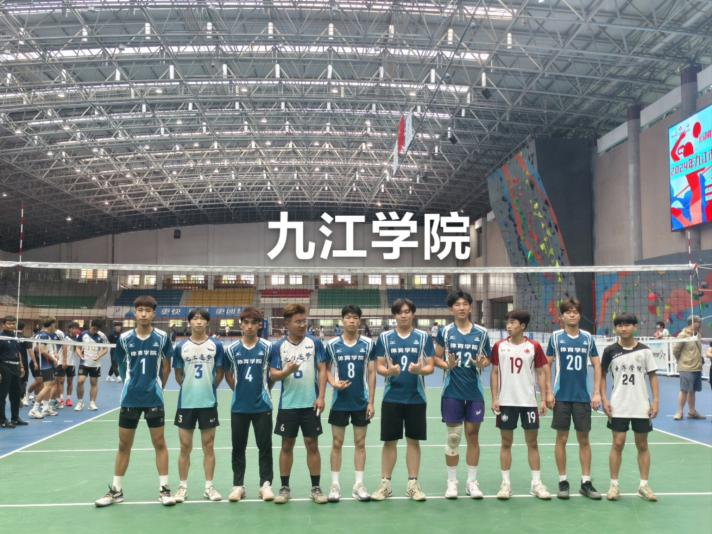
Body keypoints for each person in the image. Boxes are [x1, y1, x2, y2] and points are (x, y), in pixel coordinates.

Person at [94, 295, 176, 507]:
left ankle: (164, 489)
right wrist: (129, 385)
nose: (143, 314)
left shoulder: (162, 338)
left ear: (153, 314)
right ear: (135, 313)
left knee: (159, 443)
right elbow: (121, 365)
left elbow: (167, 366)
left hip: (153, 398)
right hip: (130, 398)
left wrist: (159, 386)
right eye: (140, 310)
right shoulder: (124, 339)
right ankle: (116, 490)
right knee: (123, 445)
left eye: (147, 310)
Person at [371, 298, 435, 502]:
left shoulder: (424, 337)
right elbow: (379, 366)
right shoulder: (385, 338)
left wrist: (420, 370)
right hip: (392, 397)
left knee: (413, 441)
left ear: (413, 314)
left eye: (407, 311)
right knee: (389, 441)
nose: (404, 315)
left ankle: (413, 485)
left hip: (416, 398)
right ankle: (385, 485)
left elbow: (431, 367)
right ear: (395, 315)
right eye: (400, 312)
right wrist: (388, 371)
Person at [433, 291, 491, 499]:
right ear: (452, 309)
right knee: (454, 437)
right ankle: (452, 482)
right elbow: (435, 358)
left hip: (475, 392)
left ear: (470, 307)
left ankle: (471, 482)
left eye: (465, 304)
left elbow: (487, 359)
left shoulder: (482, 333)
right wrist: (446, 365)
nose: (461, 308)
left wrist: (482, 363)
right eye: (457, 304)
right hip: (452, 391)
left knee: (473, 436)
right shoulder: (445, 332)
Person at [269, 304, 328, 504]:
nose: (303, 325)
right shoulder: (278, 347)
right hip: (288, 405)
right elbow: (273, 375)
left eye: (304, 321)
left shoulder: (315, 343)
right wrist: (287, 371)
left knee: (312, 444)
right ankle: (284, 488)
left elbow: (322, 369)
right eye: (298, 321)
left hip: (310, 404)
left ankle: (316, 488)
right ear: (287, 323)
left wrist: (321, 397)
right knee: (287, 445)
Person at [490, 309, 551, 500]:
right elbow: (494, 372)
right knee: (506, 443)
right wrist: (494, 398)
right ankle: (505, 484)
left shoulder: (534, 346)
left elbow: (541, 372)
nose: (508, 326)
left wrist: (543, 399)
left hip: (528, 402)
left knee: (532, 443)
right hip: (506, 402)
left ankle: (536, 483)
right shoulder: (499, 346)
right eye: (507, 322)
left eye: (513, 323)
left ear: (522, 326)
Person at [600, 313, 659, 502]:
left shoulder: (645, 351)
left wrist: (656, 401)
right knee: (617, 443)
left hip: (641, 405)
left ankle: (644, 485)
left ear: (635, 327)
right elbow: (601, 375)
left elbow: (653, 376)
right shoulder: (610, 351)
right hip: (618, 405)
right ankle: (614, 485)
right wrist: (604, 398)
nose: (623, 328)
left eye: (627, 325)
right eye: (619, 325)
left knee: (642, 445)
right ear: (615, 328)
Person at [546, 298, 602, 500]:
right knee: (561, 439)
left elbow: (597, 365)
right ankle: (563, 481)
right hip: (561, 396)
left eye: (575, 311)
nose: (572, 314)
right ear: (561, 316)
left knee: (584, 439)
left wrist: (596, 393)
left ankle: (586, 482)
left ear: (580, 315)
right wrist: (548, 392)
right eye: (568, 312)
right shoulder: (555, 337)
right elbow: (547, 365)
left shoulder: (587, 338)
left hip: (582, 397)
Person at [172, 308, 225, 503]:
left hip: (208, 403)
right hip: (186, 403)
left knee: (208, 446)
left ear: (207, 323)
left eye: (202, 319)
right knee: (185, 447)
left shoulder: (216, 346)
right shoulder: (180, 347)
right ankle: (182, 487)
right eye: (195, 319)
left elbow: (219, 372)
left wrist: (208, 388)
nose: (199, 322)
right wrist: (190, 387)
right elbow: (178, 375)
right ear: (189, 323)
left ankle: (209, 487)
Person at [325, 305, 376, 502]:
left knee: (360, 443)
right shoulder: (332, 344)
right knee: (336, 443)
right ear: (342, 320)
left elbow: (371, 373)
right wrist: (333, 383)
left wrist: (371, 402)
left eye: (355, 317)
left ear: (359, 321)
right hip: (339, 401)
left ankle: (359, 485)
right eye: (348, 317)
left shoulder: (368, 344)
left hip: (360, 401)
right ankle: (335, 485)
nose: (352, 320)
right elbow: (326, 369)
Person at [224, 307, 275, 502]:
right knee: (238, 447)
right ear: (241, 325)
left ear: (259, 325)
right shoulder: (231, 350)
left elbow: (272, 375)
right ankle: (238, 486)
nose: (249, 326)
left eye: (253, 323)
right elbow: (228, 374)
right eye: (246, 322)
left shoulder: (268, 348)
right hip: (239, 406)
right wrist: (239, 390)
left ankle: (265, 485)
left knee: (265, 447)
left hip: (263, 405)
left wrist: (265, 390)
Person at [672, 316, 705, 420]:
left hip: (697, 367)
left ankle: (692, 411)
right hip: (686, 367)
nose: (700, 324)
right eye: (698, 322)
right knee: (684, 390)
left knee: (693, 391)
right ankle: (679, 412)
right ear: (693, 323)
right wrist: (683, 361)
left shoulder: (698, 334)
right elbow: (675, 350)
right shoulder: (683, 335)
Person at [28, 317, 60, 419]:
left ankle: (46, 408)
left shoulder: (40, 334)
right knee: (48, 386)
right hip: (46, 364)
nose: (55, 327)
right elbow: (41, 350)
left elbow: (38, 348)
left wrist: (54, 354)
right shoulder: (44, 335)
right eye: (54, 325)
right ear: (51, 325)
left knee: (49, 385)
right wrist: (53, 359)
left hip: (45, 363)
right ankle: (34, 410)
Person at [75, 319, 109, 411]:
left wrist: (99, 355)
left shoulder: (102, 336)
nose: (95, 331)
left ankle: (92, 403)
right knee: (80, 381)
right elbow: (77, 347)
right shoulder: (83, 334)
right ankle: (80, 402)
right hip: (84, 362)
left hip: (95, 364)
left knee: (94, 383)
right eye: (94, 329)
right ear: (91, 326)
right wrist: (80, 355)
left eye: (97, 329)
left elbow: (105, 349)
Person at [0, 316, 28, 428]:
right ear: (3, 325)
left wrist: (21, 366)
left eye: (13, 323)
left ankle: (15, 418)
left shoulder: (15, 337)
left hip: (15, 367)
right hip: (4, 367)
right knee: (2, 395)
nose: (11, 325)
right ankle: (2, 420)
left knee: (16, 394)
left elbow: (18, 353)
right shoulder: (1, 337)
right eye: (9, 323)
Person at [62, 322, 81, 408]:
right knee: (61, 381)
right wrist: (64, 361)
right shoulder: (65, 337)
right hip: (63, 362)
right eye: (74, 328)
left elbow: (77, 350)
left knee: (70, 382)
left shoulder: (77, 339)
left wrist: (81, 355)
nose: (76, 330)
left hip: (72, 363)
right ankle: (61, 399)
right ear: (70, 329)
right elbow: (64, 349)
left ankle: (68, 399)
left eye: (77, 329)